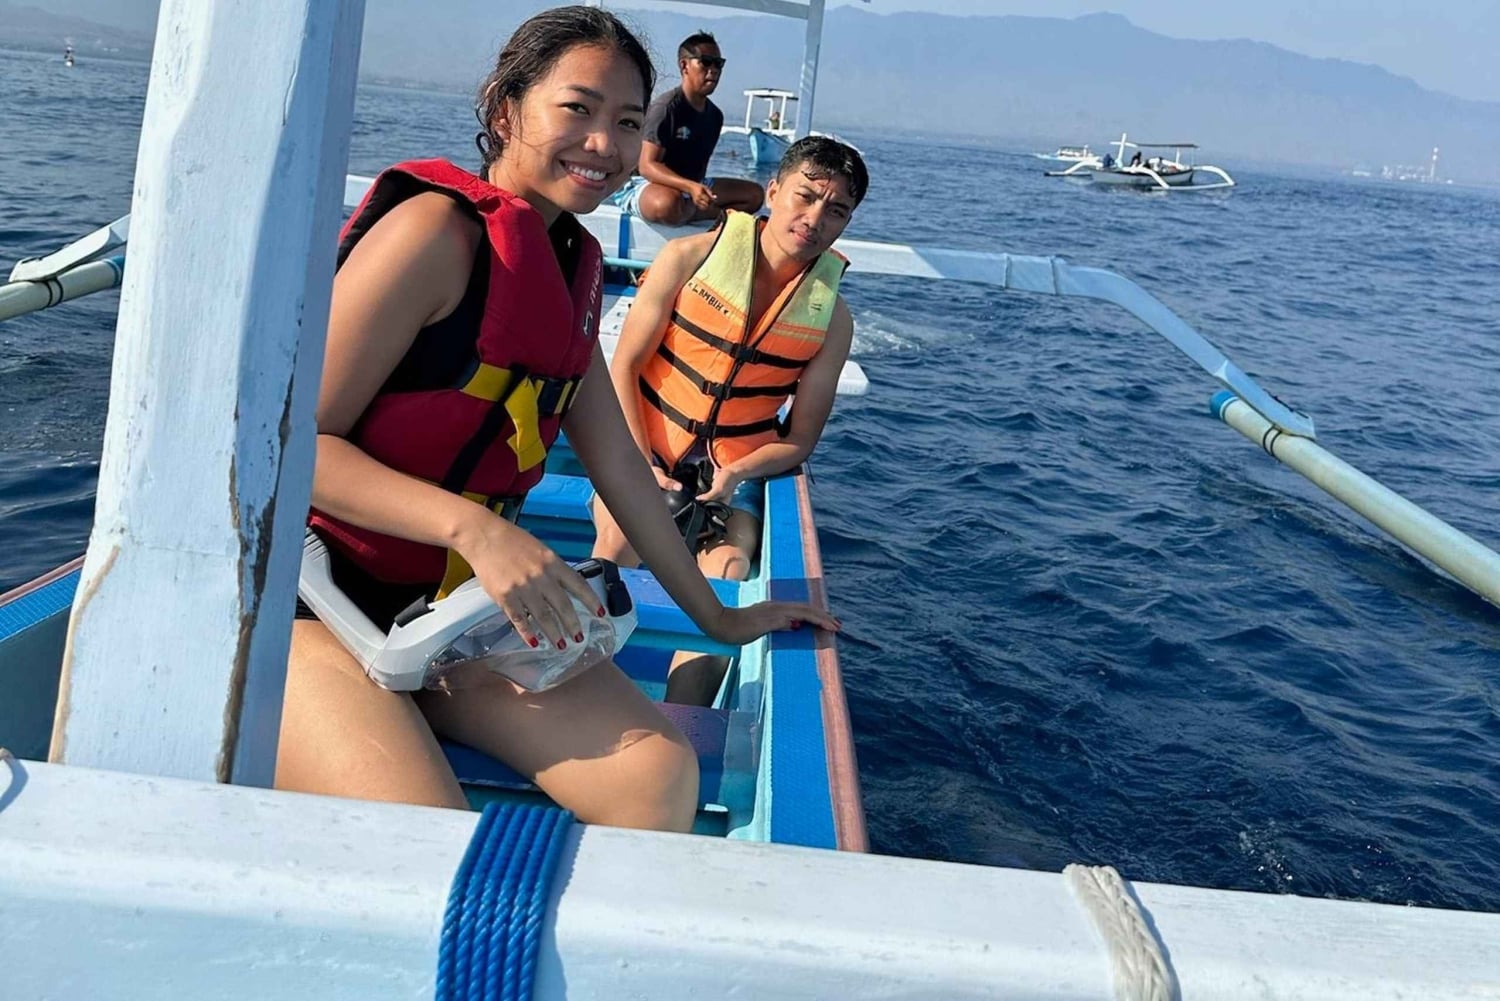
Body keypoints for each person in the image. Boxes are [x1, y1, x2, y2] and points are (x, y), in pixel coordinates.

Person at [276, 6, 836, 832]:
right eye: (576, 109)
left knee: (656, 778)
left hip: (447, 622)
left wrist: (719, 617)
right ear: (506, 109)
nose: (604, 145)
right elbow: (287, 448)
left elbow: (622, 474)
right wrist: (478, 530)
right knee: (420, 842)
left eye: (627, 122)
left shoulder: (571, 266)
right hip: (311, 606)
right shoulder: (434, 233)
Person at [592, 136, 867, 705]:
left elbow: (800, 440)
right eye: (806, 197)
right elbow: (624, 370)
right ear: (773, 191)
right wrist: (642, 463)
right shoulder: (688, 258)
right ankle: (577, 689)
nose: (815, 219)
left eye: (835, 209)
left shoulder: (832, 320)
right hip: (643, 451)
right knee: (616, 545)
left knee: (732, 569)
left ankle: (683, 717)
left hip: (729, 474)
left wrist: (735, 478)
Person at [615, 32, 764, 225]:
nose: (714, 70)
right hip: (649, 184)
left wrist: (695, 188)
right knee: (667, 204)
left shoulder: (715, 116)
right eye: (706, 62)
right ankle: (709, 213)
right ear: (684, 65)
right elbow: (646, 166)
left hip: (692, 186)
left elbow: (698, 170)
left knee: (754, 195)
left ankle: (693, 210)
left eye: (718, 63)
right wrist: (689, 187)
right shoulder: (666, 108)